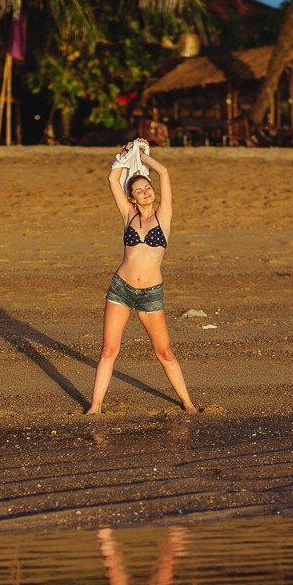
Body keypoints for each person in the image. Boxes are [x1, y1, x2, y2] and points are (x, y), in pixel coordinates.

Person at [87, 140, 198, 415]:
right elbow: (113, 177)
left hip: (150, 294)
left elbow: (165, 173)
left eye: (147, 188)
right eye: (139, 191)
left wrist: (142, 155)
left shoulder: (164, 216)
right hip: (121, 289)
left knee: (165, 353)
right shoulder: (127, 215)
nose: (146, 192)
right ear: (131, 198)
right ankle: (95, 406)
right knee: (108, 350)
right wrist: (124, 156)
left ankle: (188, 404)